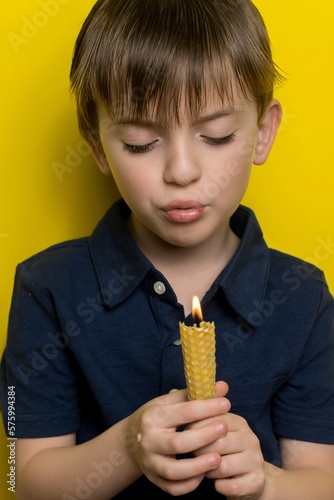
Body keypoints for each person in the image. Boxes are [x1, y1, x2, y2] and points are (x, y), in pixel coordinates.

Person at [1, 0, 334, 498]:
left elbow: (323, 482)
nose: (181, 171)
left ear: (263, 133)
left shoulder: (303, 298)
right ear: (96, 146)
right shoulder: (46, 288)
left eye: (217, 135)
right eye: (139, 142)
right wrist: (130, 446)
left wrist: (264, 482)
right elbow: (18, 478)